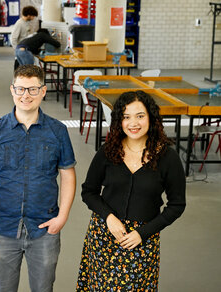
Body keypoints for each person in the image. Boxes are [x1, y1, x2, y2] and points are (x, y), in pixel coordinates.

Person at [0, 64, 76, 292]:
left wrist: (62, 216)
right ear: (12, 90)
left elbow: (68, 175)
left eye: (32, 89)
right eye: (20, 89)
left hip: (44, 230)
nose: (25, 96)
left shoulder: (58, 131)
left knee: (43, 289)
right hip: (2, 229)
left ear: (43, 91)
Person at [76, 90, 186, 291]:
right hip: (104, 236)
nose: (133, 123)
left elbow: (177, 205)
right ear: (119, 121)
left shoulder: (167, 157)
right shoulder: (108, 151)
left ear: (151, 118)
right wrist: (108, 217)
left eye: (140, 116)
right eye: (126, 117)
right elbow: (88, 192)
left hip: (142, 241)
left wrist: (143, 233)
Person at [11, 6, 40, 70]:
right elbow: (13, 39)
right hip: (21, 51)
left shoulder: (27, 23)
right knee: (20, 72)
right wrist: (18, 50)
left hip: (26, 50)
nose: (33, 18)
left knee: (26, 71)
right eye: (33, 16)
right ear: (29, 15)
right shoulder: (19, 23)